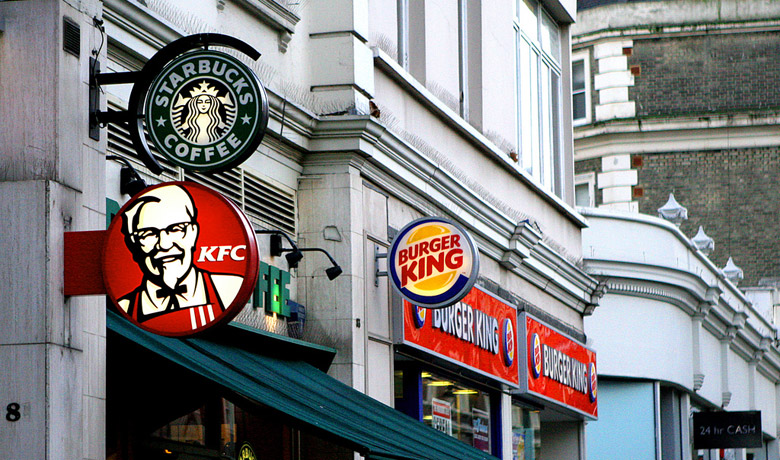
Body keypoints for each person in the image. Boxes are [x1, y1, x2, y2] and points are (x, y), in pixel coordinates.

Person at [117, 184, 243, 328]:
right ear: (134, 243)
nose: (164, 244)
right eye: (149, 234)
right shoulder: (124, 306)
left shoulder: (229, 288)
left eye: (175, 229)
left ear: (193, 233)